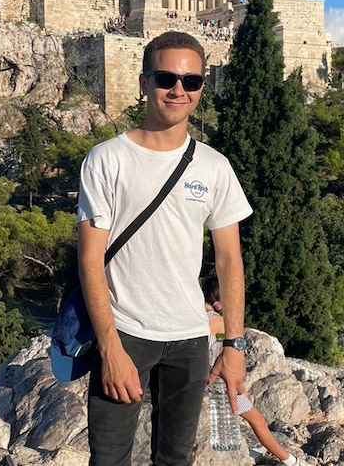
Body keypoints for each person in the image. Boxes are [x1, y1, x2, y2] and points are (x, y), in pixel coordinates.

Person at [77, 31, 253, 465]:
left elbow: (230, 261)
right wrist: (109, 348)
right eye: (166, 78)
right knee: (109, 459)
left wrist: (234, 346)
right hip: (125, 336)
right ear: (144, 82)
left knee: (176, 460)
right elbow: (89, 259)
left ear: (200, 90)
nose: (179, 89)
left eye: (191, 81)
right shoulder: (106, 159)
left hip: (190, 339)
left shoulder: (215, 167)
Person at [203, 277, 307, 466]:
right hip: (221, 388)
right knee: (257, 419)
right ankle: (291, 461)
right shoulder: (220, 323)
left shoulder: (197, 318)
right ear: (221, 303)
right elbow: (226, 355)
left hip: (200, 383)